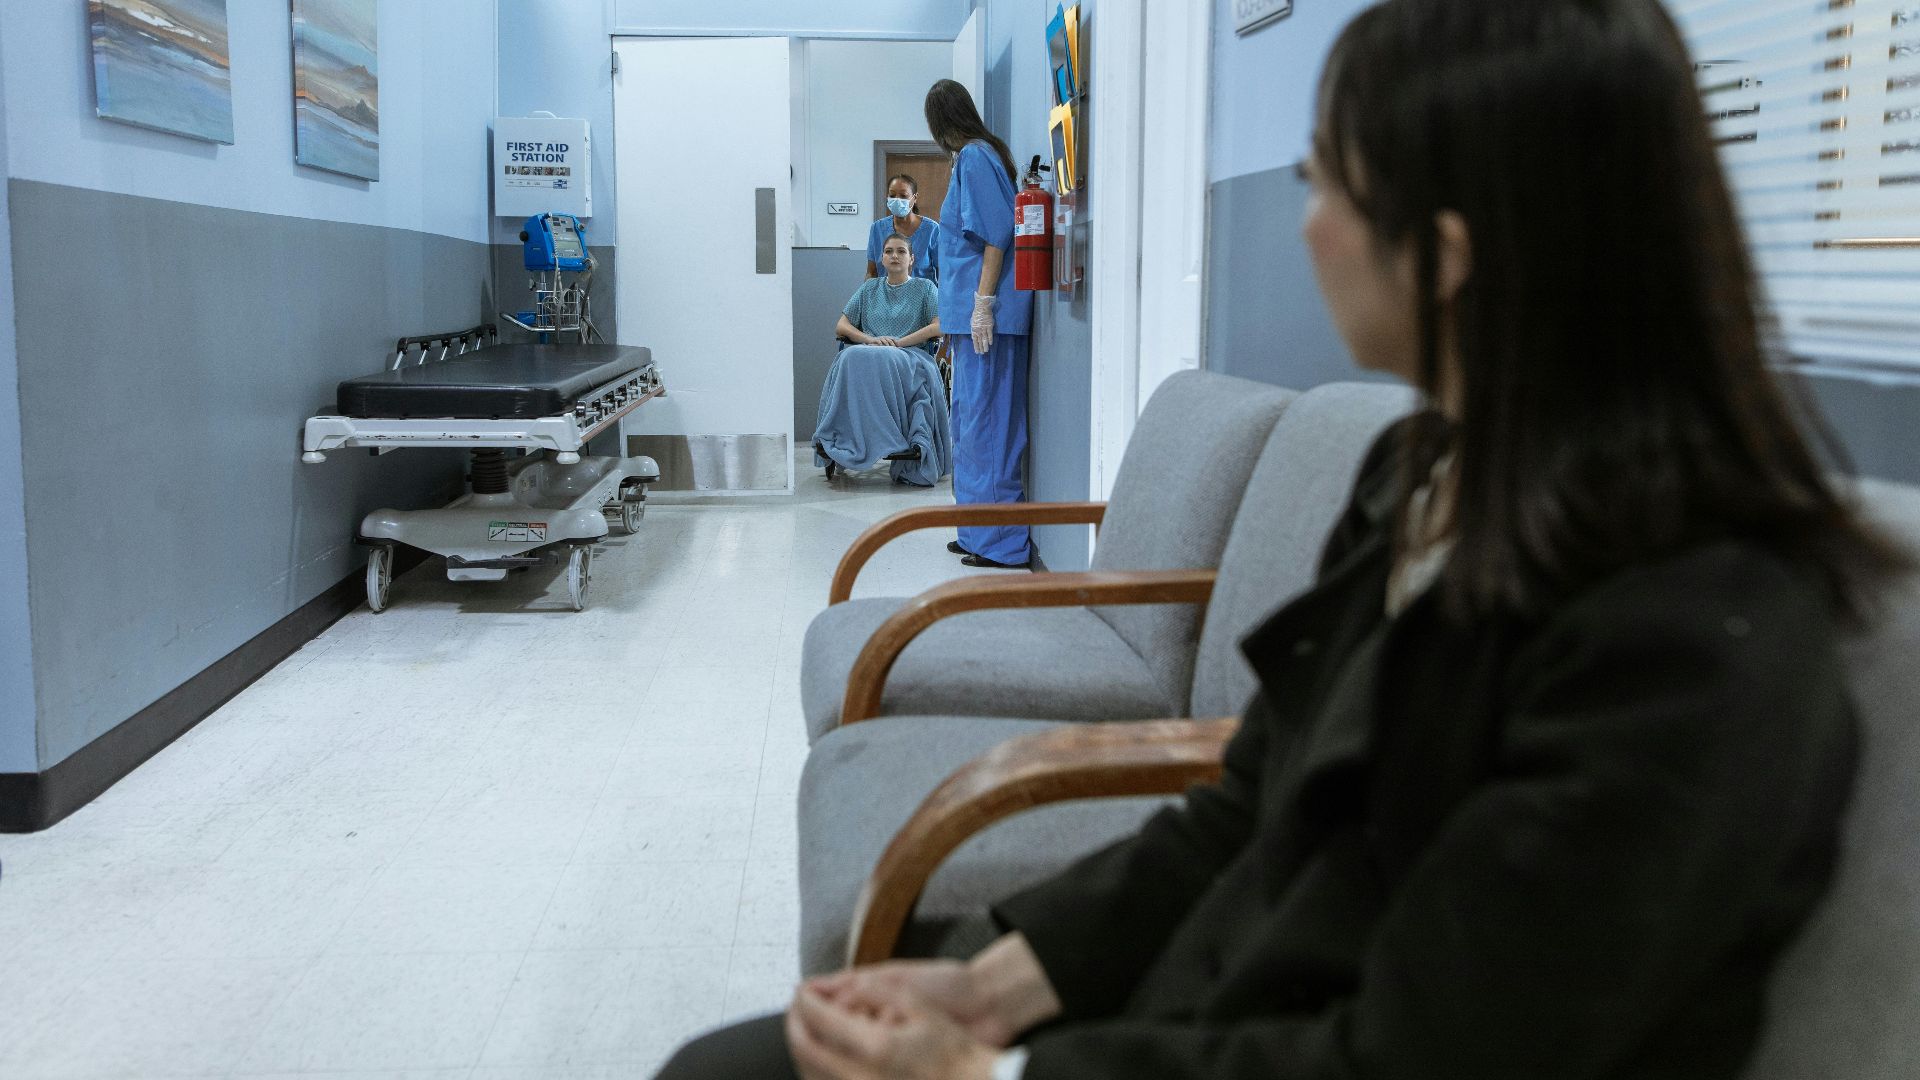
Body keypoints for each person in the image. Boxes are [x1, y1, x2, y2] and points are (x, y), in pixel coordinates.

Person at [655, 0, 1912, 1077]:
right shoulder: (1425, 484)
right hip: (1217, 1005)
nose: (1304, 223)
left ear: (1451, 255)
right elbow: (1245, 804)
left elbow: (1410, 1055)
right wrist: (988, 986)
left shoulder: (1690, 647)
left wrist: (995, 1069)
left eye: (1325, 180)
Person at [924, 79, 1034, 569]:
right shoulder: (971, 158)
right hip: (968, 325)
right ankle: (976, 531)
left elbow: (998, 233)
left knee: (989, 427)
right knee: (969, 424)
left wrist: (983, 303)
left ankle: (1002, 545)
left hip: (988, 321)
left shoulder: (974, 156)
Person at [815, 233, 951, 487]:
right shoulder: (869, 288)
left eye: (901, 251)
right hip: (868, 351)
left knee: (874, 357)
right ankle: (846, 435)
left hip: (910, 354)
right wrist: (869, 340)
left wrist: (900, 342)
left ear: (912, 259)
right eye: (889, 251)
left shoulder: (925, 288)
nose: (894, 256)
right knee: (849, 356)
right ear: (881, 258)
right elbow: (841, 325)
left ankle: (894, 438)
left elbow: (939, 326)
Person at [866, 174, 942, 284]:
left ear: (914, 198)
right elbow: (871, 272)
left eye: (903, 196)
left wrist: (940, 299)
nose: (897, 200)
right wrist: (867, 295)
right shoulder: (877, 229)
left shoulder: (932, 230)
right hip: (885, 298)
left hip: (923, 298)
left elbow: (943, 274)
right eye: (892, 195)